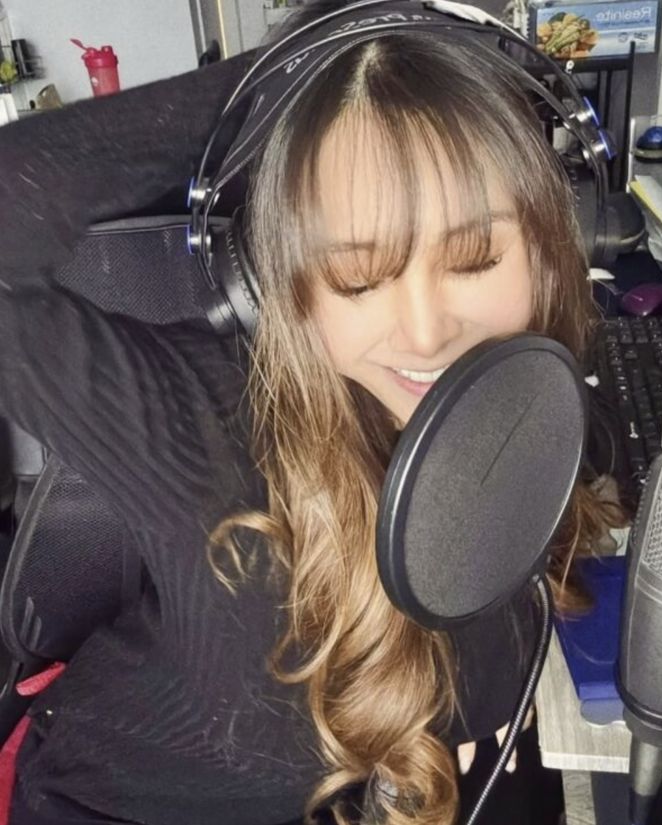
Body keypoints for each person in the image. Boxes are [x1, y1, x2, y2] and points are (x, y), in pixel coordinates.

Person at [0, 2, 623, 823]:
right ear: (281, 287)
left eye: (474, 257)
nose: (427, 332)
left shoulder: (527, 396)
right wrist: (281, 80)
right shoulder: (199, 424)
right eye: (358, 277)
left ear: (551, 245)